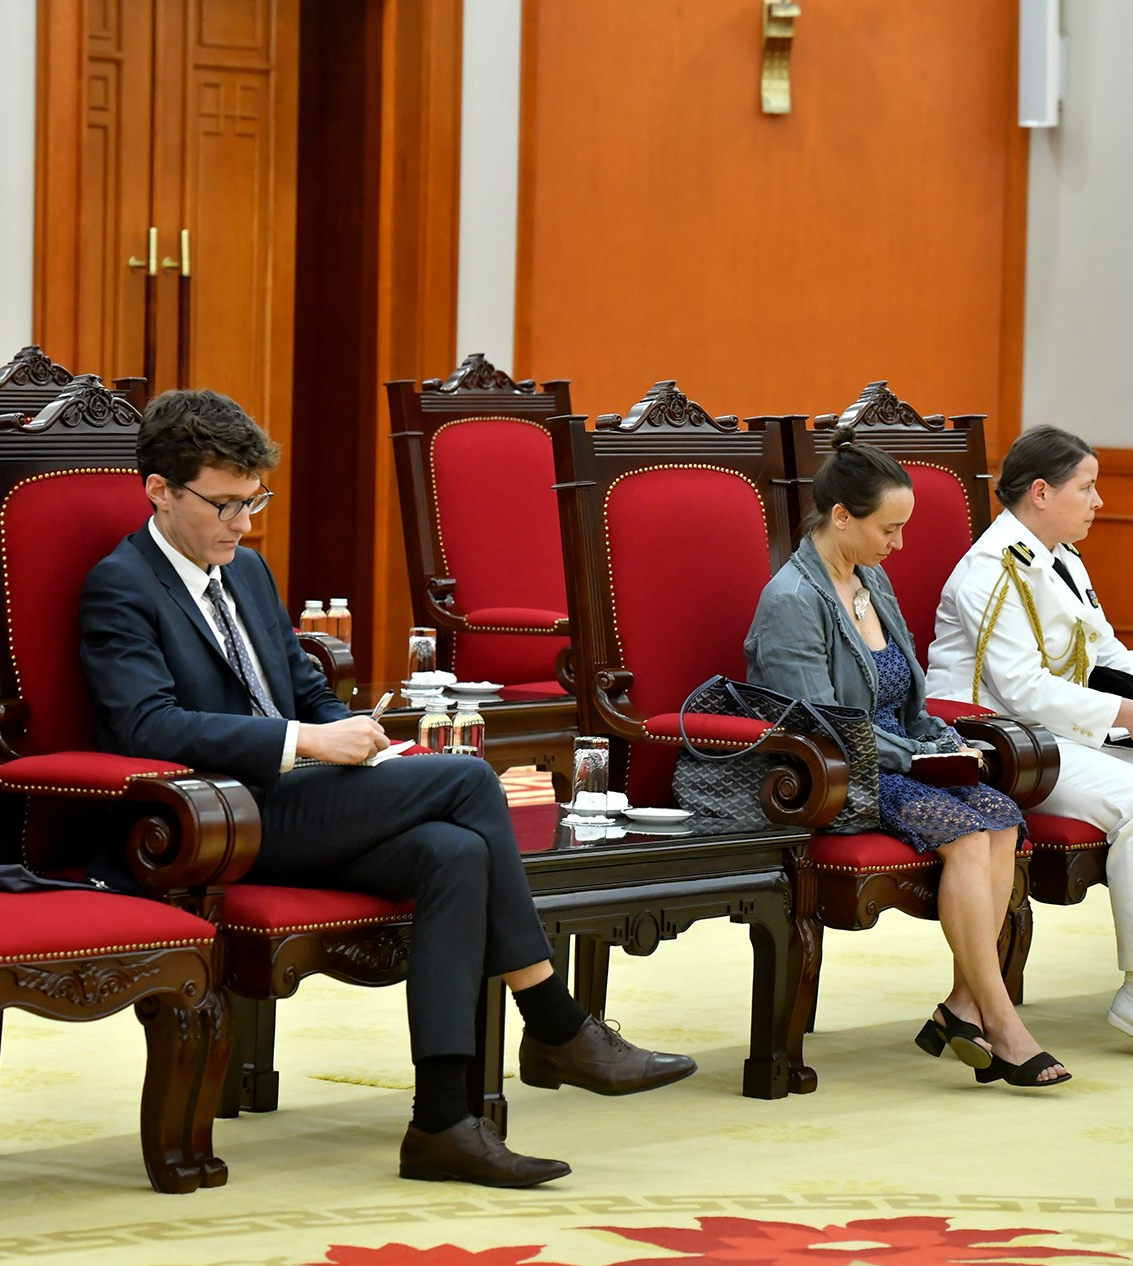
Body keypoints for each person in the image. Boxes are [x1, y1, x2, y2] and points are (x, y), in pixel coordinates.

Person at [79, 389, 697, 1188]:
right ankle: (553, 1021)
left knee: (451, 854)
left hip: (304, 799)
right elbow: (144, 727)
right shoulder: (120, 586)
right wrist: (306, 742)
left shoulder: (248, 571)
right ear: (159, 491)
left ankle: (443, 1123)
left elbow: (306, 690)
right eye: (225, 504)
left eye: (253, 500)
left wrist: (356, 739)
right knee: (471, 781)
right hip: (214, 817)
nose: (243, 523)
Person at [745, 430, 1067, 1087]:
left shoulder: (872, 580)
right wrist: (918, 756)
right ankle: (1002, 1024)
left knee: (1001, 816)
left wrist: (947, 745)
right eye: (888, 530)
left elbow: (909, 697)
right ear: (842, 517)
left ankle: (961, 1006)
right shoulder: (791, 603)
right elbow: (821, 724)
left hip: (901, 756)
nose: (899, 545)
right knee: (970, 836)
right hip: (837, 773)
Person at [925, 426, 1133, 1064]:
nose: (1099, 500)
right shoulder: (994, 568)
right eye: (1088, 486)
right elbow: (1018, 687)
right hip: (998, 744)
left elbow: (1104, 645)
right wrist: (1123, 710)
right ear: (1041, 492)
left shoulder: (1060, 556)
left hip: (1054, 734)